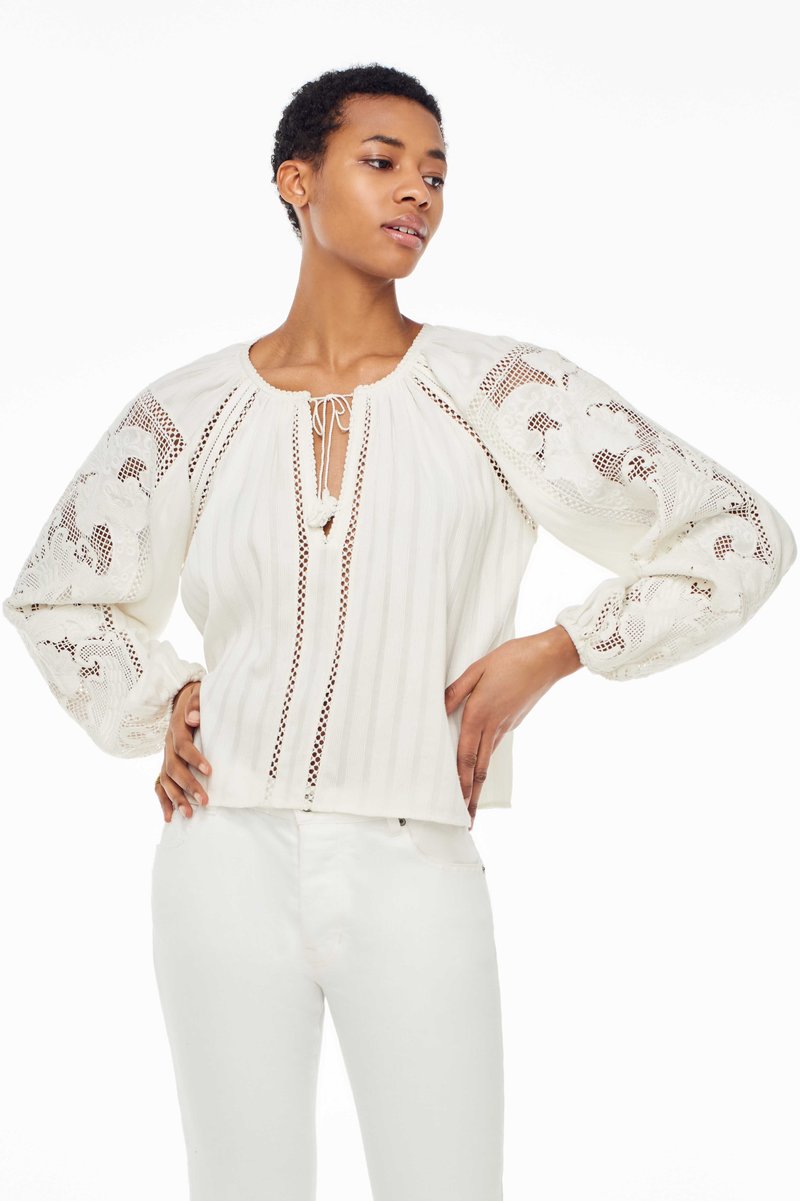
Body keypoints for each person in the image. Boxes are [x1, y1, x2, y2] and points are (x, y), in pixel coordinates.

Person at [3, 62, 795, 1201]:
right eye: (381, 162)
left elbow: (739, 531)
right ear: (296, 181)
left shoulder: (499, 390)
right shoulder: (188, 411)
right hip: (219, 853)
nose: (417, 191)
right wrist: (160, 696)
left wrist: (556, 650)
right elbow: (55, 591)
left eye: (436, 173)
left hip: (412, 856)